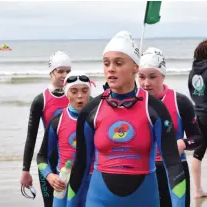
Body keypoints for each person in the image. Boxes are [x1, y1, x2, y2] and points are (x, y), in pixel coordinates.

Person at [66, 31, 186, 207]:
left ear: (135, 67)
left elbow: (173, 165)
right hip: (99, 200)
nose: (111, 68)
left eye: (118, 63)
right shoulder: (91, 111)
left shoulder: (154, 109)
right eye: (106, 63)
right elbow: (80, 167)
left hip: (144, 200)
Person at [138, 47, 203, 207]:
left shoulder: (179, 101)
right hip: (141, 170)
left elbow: (198, 138)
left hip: (174, 168)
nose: (146, 83)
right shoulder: (132, 102)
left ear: (163, 76)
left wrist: (182, 144)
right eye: (141, 77)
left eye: (153, 77)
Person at [20, 51, 71, 207]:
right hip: (48, 162)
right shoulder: (41, 100)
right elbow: (32, 136)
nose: (64, 75)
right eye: (60, 71)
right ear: (51, 72)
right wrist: (25, 170)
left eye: (68, 71)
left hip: (71, 161)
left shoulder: (78, 96)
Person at [37, 71, 94, 207]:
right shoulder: (58, 121)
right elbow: (41, 157)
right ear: (66, 92)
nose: (80, 96)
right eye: (74, 91)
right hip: (64, 183)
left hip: (91, 184)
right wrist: (50, 176)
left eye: (85, 91)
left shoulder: (97, 119)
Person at [188, 39, 207, 198]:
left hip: (198, 113)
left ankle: (198, 190)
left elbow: (193, 92)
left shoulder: (193, 72)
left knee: (198, 152)